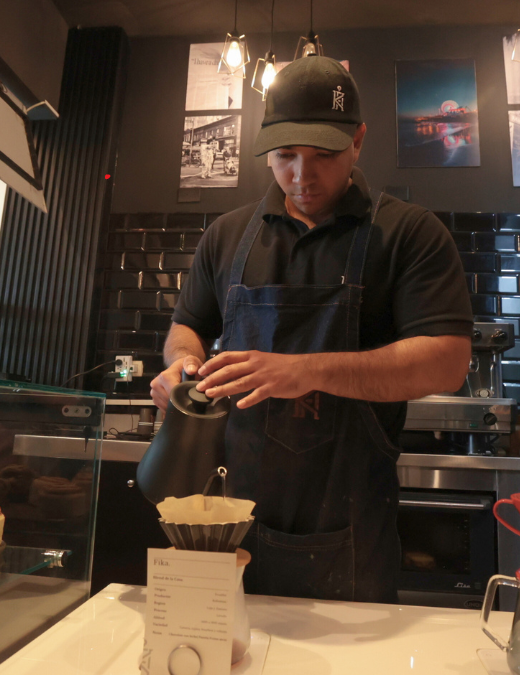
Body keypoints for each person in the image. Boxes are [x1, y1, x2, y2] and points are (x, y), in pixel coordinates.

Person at [150, 55, 472, 603]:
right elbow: (187, 326)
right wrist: (180, 364)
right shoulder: (227, 235)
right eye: (284, 156)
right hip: (228, 519)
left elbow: (447, 360)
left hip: (348, 527)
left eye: (323, 155)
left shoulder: (408, 233)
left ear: (359, 140)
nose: (302, 175)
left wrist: (307, 371)